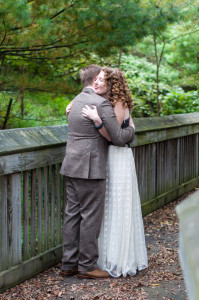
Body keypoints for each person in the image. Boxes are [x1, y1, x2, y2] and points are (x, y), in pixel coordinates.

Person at [60, 65, 135, 279]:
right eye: (99, 78)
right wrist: (131, 128)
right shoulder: (100, 104)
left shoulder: (76, 101)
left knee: (72, 216)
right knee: (90, 218)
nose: (100, 82)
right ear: (94, 80)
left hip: (71, 164)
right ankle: (87, 266)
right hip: (90, 167)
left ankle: (68, 264)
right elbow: (119, 138)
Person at [81, 67, 148, 277]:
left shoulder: (118, 103)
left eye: (101, 80)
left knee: (117, 205)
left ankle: (120, 258)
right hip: (109, 156)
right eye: (96, 79)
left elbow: (116, 137)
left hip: (119, 158)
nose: (97, 83)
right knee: (107, 205)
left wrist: (98, 120)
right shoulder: (105, 102)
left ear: (112, 84)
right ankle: (105, 255)